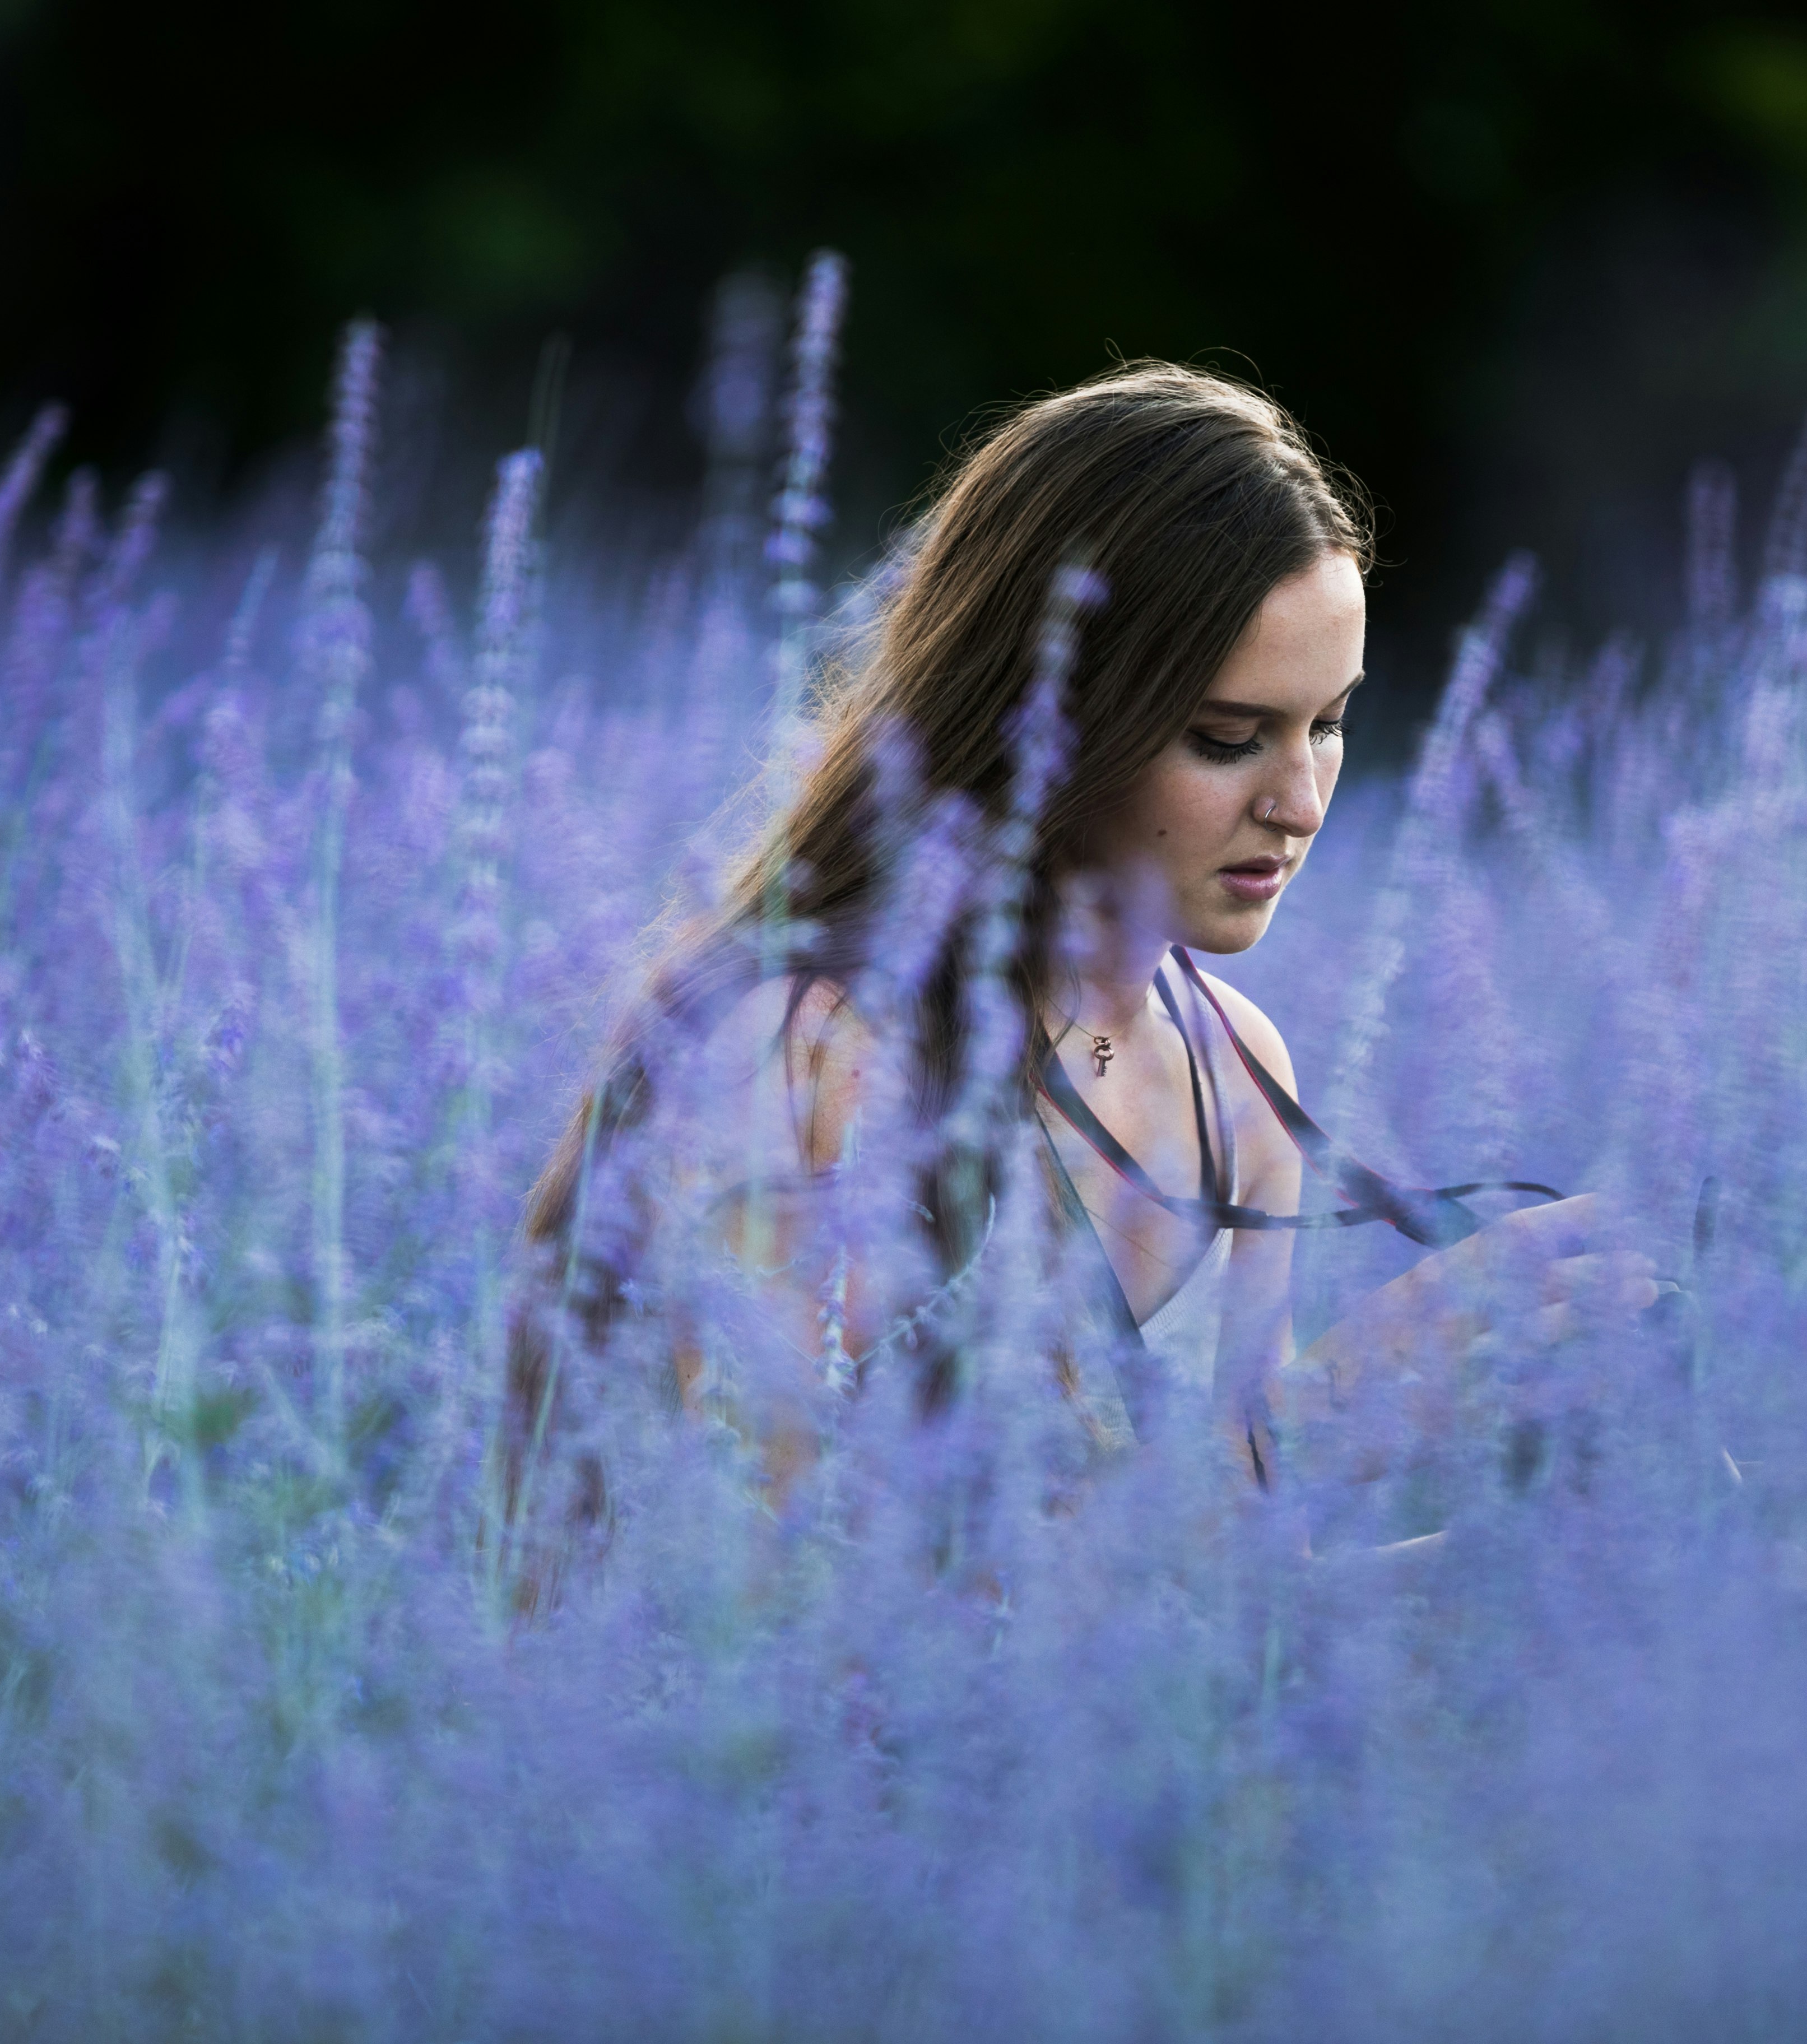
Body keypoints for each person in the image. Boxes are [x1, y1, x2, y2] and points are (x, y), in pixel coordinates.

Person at [506, 362, 1653, 1548]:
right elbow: (785, 1605)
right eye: (1227, 738)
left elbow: (1219, 1628)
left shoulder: (1236, 1077)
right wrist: (1339, 1409)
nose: (1302, 803)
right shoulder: (801, 1053)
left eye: (1329, 725)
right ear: (1047, 728)